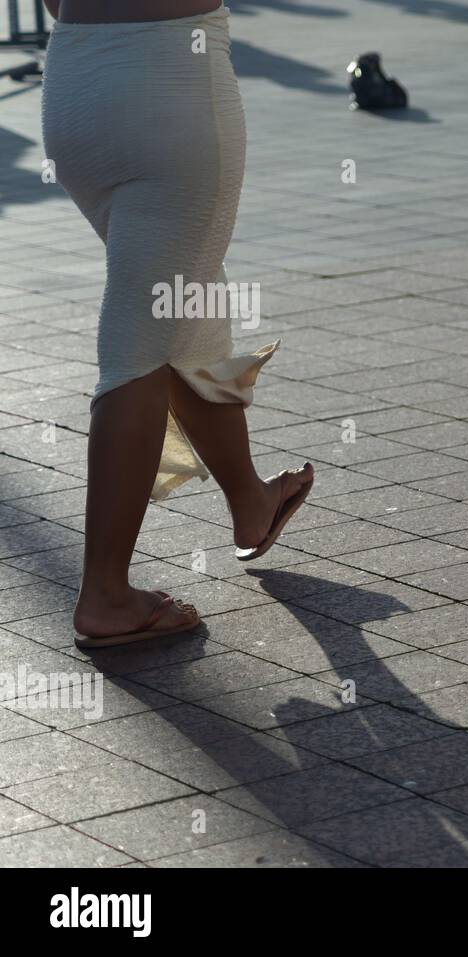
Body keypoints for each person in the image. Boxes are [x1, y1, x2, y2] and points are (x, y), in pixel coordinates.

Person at [41, 0, 313, 650]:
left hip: (76, 77)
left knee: (182, 301)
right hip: (171, 78)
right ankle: (105, 593)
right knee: (141, 341)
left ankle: (250, 498)